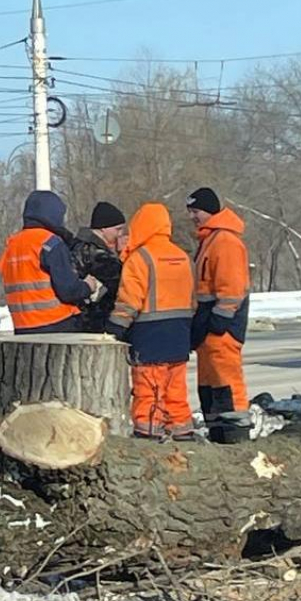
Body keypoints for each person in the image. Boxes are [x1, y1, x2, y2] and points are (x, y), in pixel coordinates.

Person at [107, 202, 195, 439]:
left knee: (149, 391)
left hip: (149, 335)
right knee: (176, 389)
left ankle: (147, 434)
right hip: (180, 334)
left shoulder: (140, 258)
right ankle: (182, 431)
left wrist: (114, 329)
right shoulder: (183, 257)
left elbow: (129, 302)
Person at [187, 187, 250, 419]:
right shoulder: (210, 239)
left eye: (196, 211)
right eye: (190, 212)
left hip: (222, 326)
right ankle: (217, 429)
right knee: (210, 384)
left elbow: (232, 285)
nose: (192, 217)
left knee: (227, 381)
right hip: (208, 324)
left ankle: (235, 429)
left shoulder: (225, 240)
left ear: (210, 211)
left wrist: (221, 318)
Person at [0, 190, 100, 334]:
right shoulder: (50, 243)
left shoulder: (11, 245)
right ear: (54, 215)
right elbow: (69, 291)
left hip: (23, 327)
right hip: (57, 324)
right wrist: (88, 286)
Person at [71, 201, 126, 332]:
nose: (120, 234)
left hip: (84, 318)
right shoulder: (94, 253)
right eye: (117, 229)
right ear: (103, 228)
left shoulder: (82, 246)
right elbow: (121, 278)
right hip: (92, 320)